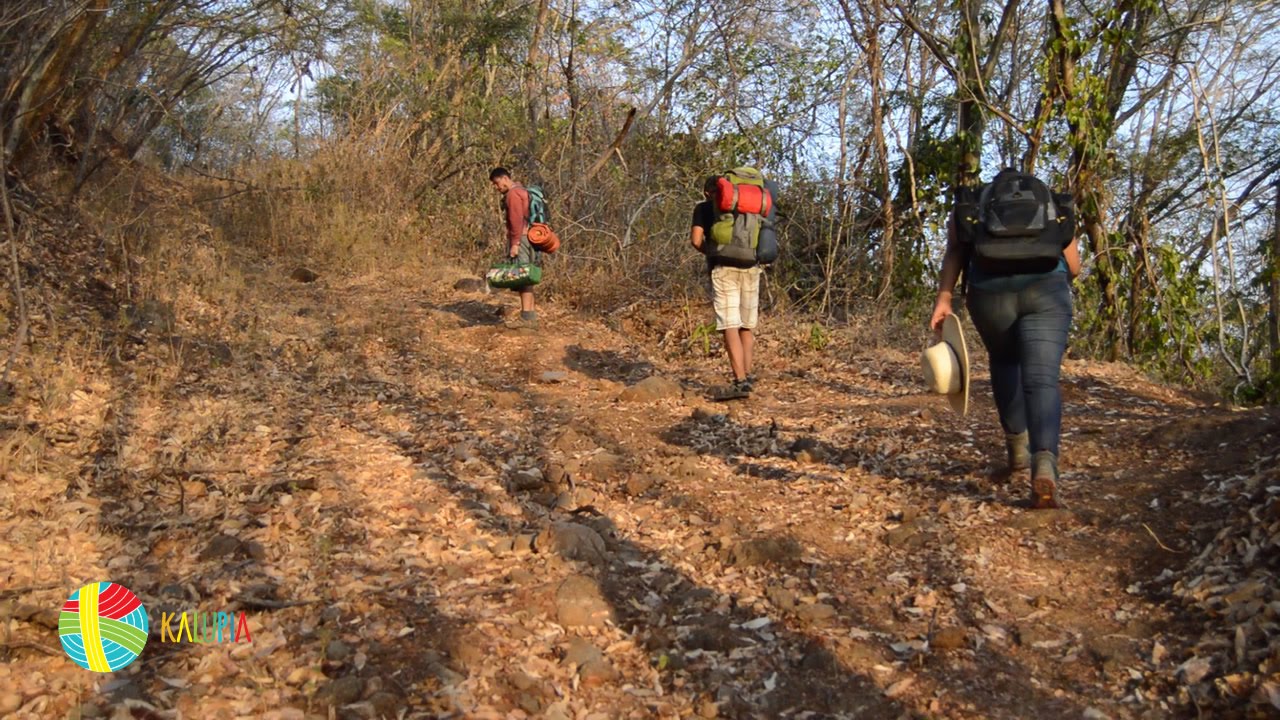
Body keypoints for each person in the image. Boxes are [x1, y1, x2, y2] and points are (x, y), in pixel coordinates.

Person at [929, 171, 1081, 509]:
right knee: (1042, 379)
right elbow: (1074, 266)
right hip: (1047, 293)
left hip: (989, 294)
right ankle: (1044, 463)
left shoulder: (972, 205)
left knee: (1004, 361)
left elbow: (956, 250)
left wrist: (944, 298)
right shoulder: (1051, 204)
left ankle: (1016, 453)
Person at [690, 175, 764, 400]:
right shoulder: (747, 209)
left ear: (706, 192)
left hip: (724, 269)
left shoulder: (704, 208)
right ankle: (747, 375)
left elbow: (695, 240)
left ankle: (740, 382)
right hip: (751, 267)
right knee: (746, 326)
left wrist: (713, 251)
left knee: (730, 324)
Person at [489, 167, 539, 330]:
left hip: (522, 239)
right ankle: (530, 316)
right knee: (528, 277)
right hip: (532, 237)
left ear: (504, 178)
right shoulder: (522, 190)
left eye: (497, 183)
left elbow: (516, 221)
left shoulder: (512, 195)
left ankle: (526, 318)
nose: (497, 188)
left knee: (523, 278)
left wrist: (514, 244)